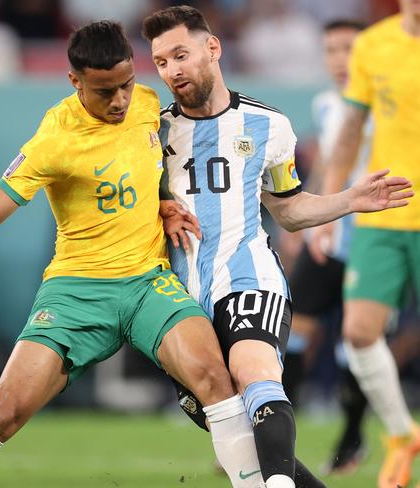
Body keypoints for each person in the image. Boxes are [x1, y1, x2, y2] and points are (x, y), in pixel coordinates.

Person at [0, 20, 263, 488]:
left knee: (216, 382)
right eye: (104, 92)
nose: (119, 101)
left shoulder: (149, 105)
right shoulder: (53, 140)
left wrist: (160, 204)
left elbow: (147, 166)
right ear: (75, 81)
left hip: (148, 283)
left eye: (126, 84)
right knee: (4, 413)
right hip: (76, 292)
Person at [141, 6, 412, 488]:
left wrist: (348, 199)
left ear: (213, 48)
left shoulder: (268, 126)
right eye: (161, 62)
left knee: (255, 372)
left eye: (180, 55)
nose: (172, 70)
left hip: (250, 277)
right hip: (178, 296)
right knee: (234, 426)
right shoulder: (151, 133)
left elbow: (287, 209)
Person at [309, 1, 420, 487]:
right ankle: (401, 435)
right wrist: (332, 205)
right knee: (358, 330)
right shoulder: (374, 45)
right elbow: (350, 129)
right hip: (385, 211)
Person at [285, 19, 371, 475]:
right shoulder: (325, 104)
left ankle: (352, 442)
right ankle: (274, 442)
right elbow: (329, 167)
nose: (340, 60)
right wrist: (304, 221)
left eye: (349, 49)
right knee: (294, 329)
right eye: (331, 50)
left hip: (378, 238)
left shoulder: (390, 102)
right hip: (330, 236)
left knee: (357, 340)